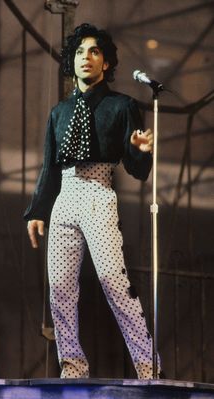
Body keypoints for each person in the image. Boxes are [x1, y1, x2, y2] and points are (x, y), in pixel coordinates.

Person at [24, 23, 161, 379]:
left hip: (99, 191)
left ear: (106, 63)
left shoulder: (122, 106)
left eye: (94, 52)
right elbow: (49, 167)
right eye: (80, 52)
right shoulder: (59, 112)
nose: (86, 58)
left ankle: (148, 365)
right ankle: (72, 366)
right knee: (60, 285)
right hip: (64, 197)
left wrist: (140, 150)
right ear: (72, 61)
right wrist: (38, 211)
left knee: (114, 282)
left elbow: (137, 169)